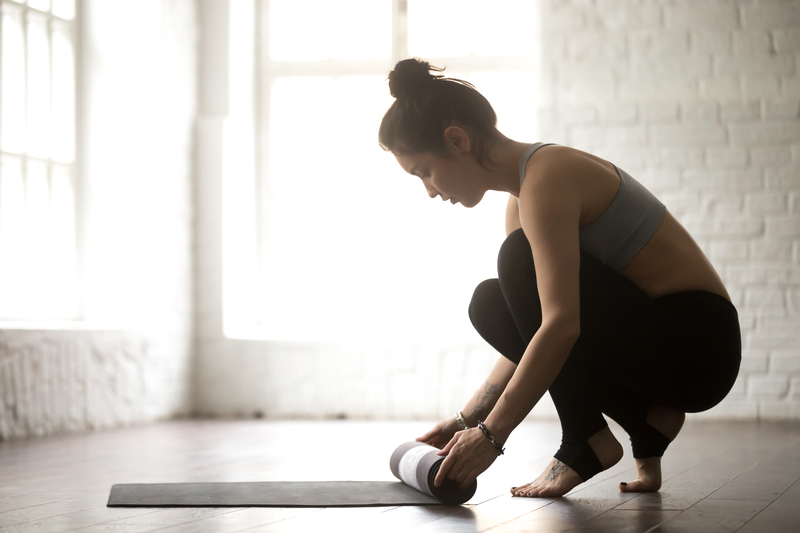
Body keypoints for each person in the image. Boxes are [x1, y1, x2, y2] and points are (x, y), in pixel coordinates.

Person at [378, 58, 741, 498]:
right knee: (490, 302)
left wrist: (492, 437)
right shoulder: (522, 199)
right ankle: (643, 418)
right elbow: (535, 325)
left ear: (457, 140)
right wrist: (466, 420)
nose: (431, 191)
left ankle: (584, 441)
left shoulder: (549, 178)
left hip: (700, 347)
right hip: (655, 343)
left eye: (424, 172)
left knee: (516, 260)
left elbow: (561, 324)